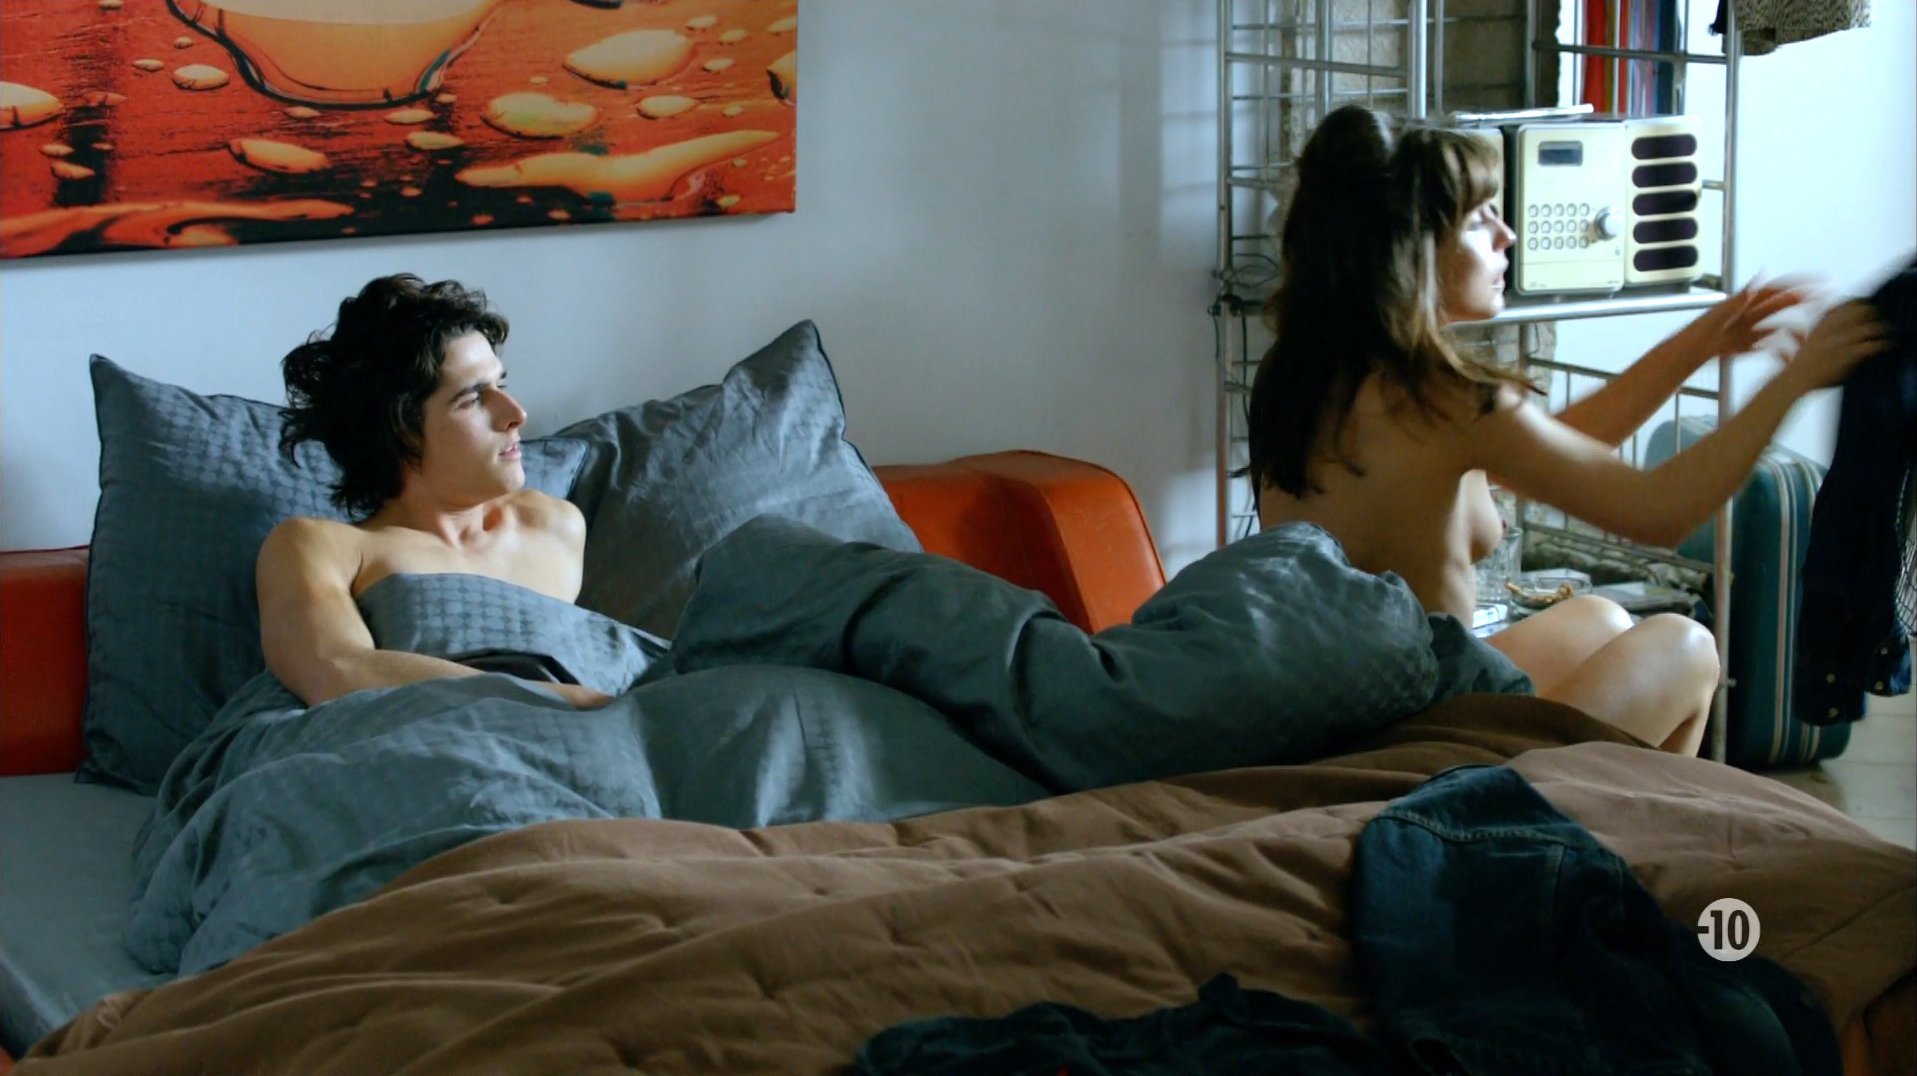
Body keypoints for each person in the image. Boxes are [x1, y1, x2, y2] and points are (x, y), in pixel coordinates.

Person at [1244, 105, 1888, 755]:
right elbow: (1659, 511)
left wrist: (1697, 343)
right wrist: (1792, 382)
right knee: (1688, 646)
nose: (1506, 235)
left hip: (1346, 719)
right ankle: (1618, 816)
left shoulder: (1299, 377)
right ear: (1411, 250)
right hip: (1426, 743)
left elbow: (1554, 448)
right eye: (1478, 219)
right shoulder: (1448, 401)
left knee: (1599, 618)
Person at [259, 273, 614, 710]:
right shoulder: (321, 547)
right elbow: (336, 672)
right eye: (473, 399)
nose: (516, 413)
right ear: (400, 430)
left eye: (500, 386)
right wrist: (569, 702)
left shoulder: (554, 526)